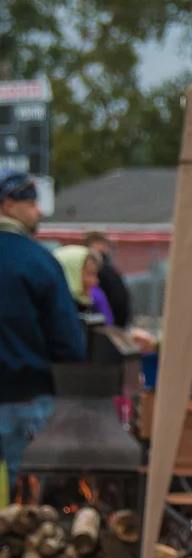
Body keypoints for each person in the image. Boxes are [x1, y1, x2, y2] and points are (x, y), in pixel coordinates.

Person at [0, 172, 86, 484]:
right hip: (27, 397)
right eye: (32, 202)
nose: (38, 211)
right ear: (8, 204)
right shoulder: (38, 261)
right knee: (30, 502)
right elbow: (68, 342)